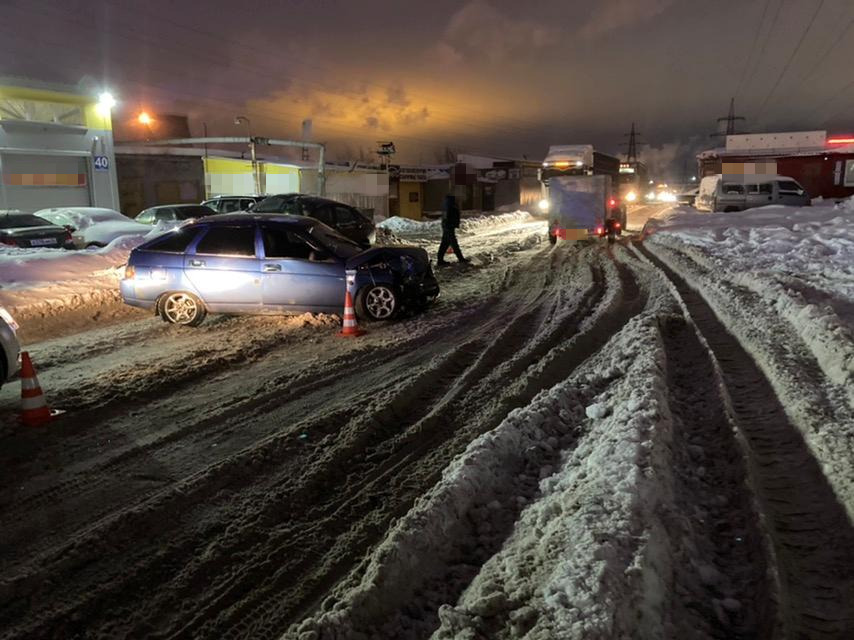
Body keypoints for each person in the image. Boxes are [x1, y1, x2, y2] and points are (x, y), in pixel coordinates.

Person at [437, 193, 468, 265]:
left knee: (445, 243)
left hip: (447, 226)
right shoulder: (451, 207)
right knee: (454, 244)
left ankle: (440, 260)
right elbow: (450, 217)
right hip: (449, 227)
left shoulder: (446, 206)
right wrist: (453, 224)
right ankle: (461, 259)